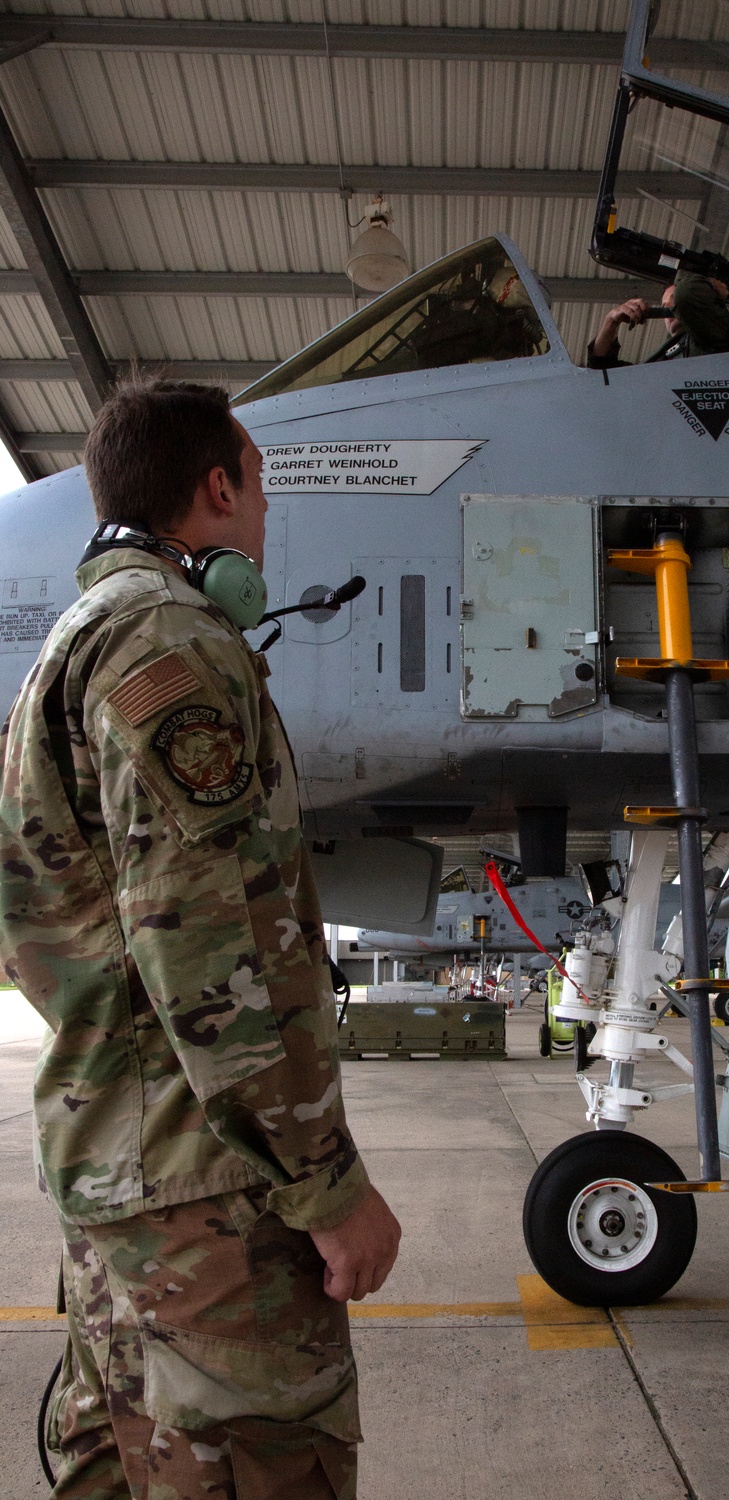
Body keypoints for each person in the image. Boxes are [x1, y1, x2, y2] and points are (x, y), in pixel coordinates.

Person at [0, 379, 400, 1499]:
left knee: (122, 1473)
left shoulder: (69, 649)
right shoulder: (172, 643)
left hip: (116, 1178)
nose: (266, 516)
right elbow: (204, 947)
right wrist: (324, 1188)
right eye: (258, 487)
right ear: (217, 489)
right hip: (208, 1199)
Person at [587, 270, 729, 368]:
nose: (668, 307)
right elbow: (600, 369)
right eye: (664, 305)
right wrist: (611, 321)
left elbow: (687, 292)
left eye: (673, 300)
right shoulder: (663, 359)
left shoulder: (712, 332)